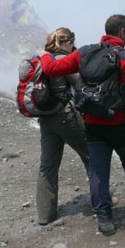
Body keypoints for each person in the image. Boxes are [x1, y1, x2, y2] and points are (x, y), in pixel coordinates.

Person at [39, 15, 125, 236]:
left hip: (93, 125)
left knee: (98, 170)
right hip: (122, 123)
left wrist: (44, 56)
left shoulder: (83, 54)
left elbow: (52, 69)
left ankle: (104, 218)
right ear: (121, 32)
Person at [37, 27, 90, 225]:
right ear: (67, 42)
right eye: (72, 44)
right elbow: (79, 82)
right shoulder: (61, 60)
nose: (73, 48)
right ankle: (102, 201)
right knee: (91, 156)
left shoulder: (44, 57)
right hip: (66, 116)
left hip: (45, 119)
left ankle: (45, 215)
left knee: (48, 166)